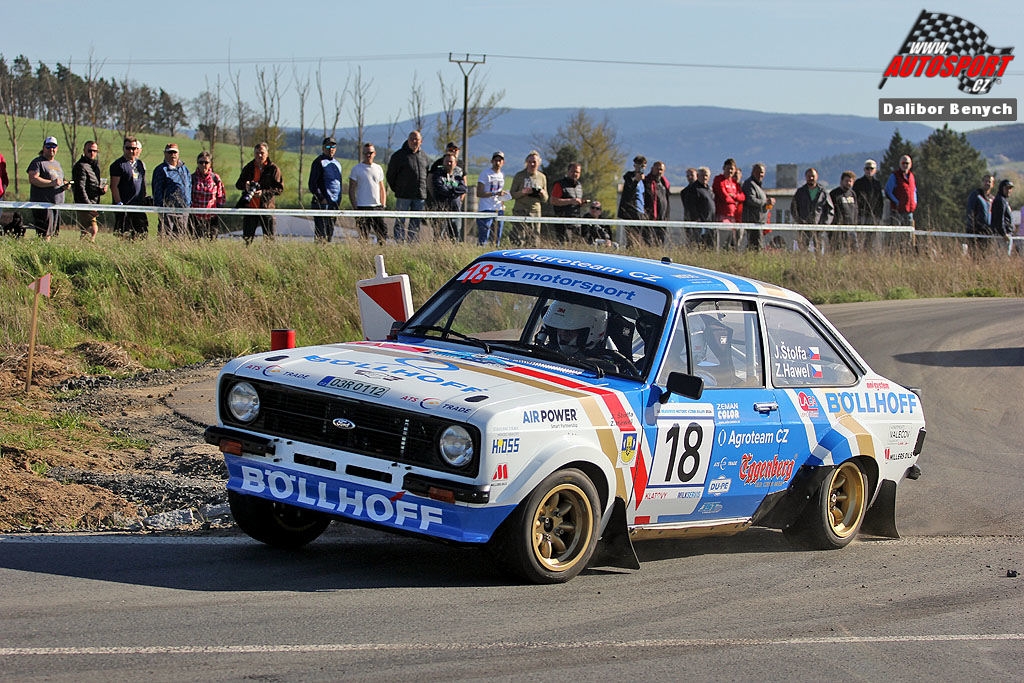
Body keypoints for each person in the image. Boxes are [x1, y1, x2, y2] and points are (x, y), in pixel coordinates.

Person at [235, 142, 284, 245]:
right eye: (257, 153)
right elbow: (238, 184)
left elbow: (279, 189)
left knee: (269, 240)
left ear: (267, 153)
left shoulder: (273, 169)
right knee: (247, 240)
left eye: (262, 153)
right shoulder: (249, 167)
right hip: (250, 208)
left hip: (266, 208)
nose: (259, 155)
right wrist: (246, 185)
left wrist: (263, 193)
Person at [386, 131, 430, 242]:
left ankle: (412, 244)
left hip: (420, 196)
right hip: (403, 196)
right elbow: (390, 176)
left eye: (417, 139)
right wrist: (398, 189)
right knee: (400, 221)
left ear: (421, 141)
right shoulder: (398, 156)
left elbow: (427, 175)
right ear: (408, 140)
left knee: (415, 222)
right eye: (412, 139)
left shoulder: (424, 157)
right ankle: (399, 243)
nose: (414, 141)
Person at [537, 300, 609, 360]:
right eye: (558, 327)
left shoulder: (605, 367)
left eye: (570, 330)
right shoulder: (541, 354)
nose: (562, 333)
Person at [27, 136, 67, 240]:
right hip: (43, 205)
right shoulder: (37, 162)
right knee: (44, 235)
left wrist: (65, 185)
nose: (51, 149)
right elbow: (33, 179)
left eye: (54, 146)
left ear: (57, 148)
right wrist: (51, 183)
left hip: (56, 205)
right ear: (43, 147)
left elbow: (59, 181)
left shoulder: (57, 164)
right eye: (48, 146)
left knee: (53, 235)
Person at [109, 136, 149, 239]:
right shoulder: (118, 165)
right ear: (123, 148)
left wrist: (144, 198)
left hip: (138, 206)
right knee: (124, 234)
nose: (131, 151)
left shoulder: (140, 164)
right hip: (125, 206)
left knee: (141, 235)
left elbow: (142, 183)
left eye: (134, 148)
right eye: (128, 148)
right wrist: (119, 203)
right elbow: (114, 186)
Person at [348, 143, 388, 242]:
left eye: (370, 153)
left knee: (382, 234)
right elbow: (351, 189)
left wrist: (383, 205)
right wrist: (355, 207)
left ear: (374, 153)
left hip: (377, 207)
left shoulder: (378, 168)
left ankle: (381, 250)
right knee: (363, 235)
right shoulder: (356, 169)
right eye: (366, 153)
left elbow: (382, 188)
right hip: (362, 207)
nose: (368, 155)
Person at [308, 136, 344, 243]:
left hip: (334, 204)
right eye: (328, 147)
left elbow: (338, 184)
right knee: (321, 234)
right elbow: (312, 184)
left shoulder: (337, 164)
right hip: (322, 204)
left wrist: (338, 200)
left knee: (329, 233)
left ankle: (327, 250)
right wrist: (321, 198)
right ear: (323, 148)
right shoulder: (319, 162)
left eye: (333, 147)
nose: (330, 149)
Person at [151, 143, 191, 238]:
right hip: (168, 211)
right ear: (165, 153)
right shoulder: (161, 170)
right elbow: (157, 191)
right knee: (165, 237)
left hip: (183, 211)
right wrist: (162, 209)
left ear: (178, 153)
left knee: (180, 238)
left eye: (174, 152)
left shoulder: (184, 169)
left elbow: (189, 186)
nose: (172, 155)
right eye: (170, 152)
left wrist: (188, 204)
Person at [509, 150, 547, 246]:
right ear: (526, 162)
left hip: (535, 211)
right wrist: (523, 192)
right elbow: (512, 194)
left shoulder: (542, 177)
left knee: (534, 239)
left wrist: (542, 193)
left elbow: (546, 199)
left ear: (538, 163)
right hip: (520, 210)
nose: (532, 164)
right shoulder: (519, 176)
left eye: (534, 162)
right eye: (529, 162)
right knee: (519, 238)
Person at [791, 167, 834, 252]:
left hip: (818, 228)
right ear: (805, 177)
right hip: (804, 228)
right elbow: (793, 208)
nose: (811, 178)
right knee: (802, 250)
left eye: (813, 176)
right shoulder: (800, 192)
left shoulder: (823, 193)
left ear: (817, 177)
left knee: (818, 250)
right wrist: (799, 221)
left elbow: (830, 210)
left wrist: (824, 224)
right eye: (809, 176)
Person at [71, 140, 107, 241]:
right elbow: (80, 188)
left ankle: (85, 247)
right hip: (85, 204)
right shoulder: (80, 166)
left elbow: (92, 187)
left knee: (88, 231)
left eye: (95, 151)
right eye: (90, 150)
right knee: (92, 229)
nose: (92, 153)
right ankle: (86, 247)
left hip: (93, 203)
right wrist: (88, 206)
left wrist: (101, 191)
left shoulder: (95, 166)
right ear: (84, 151)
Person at [428, 152, 467, 241]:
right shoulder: (438, 174)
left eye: (451, 162)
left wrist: (450, 190)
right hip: (441, 210)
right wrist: (455, 191)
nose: (449, 163)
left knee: (455, 236)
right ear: (443, 163)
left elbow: (463, 188)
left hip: (455, 210)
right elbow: (440, 188)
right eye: (446, 161)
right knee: (439, 236)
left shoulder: (458, 176)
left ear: (455, 163)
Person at [190, 151, 226, 239]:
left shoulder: (215, 178)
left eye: (206, 162)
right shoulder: (192, 178)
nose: (203, 165)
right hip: (196, 218)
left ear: (210, 164)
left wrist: (218, 211)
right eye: (201, 162)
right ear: (197, 163)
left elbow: (221, 197)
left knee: (211, 243)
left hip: (212, 218)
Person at [549, 162, 585, 243]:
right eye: (573, 171)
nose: (575, 174)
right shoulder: (560, 184)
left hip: (576, 222)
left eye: (577, 172)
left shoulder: (579, 186)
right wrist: (571, 201)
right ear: (568, 172)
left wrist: (580, 203)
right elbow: (553, 201)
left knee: (576, 245)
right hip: (563, 222)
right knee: (564, 245)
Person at [476, 151, 506, 246]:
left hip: (498, 208)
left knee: (497, 237)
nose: (498, 163)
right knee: (484, 235)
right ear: (492, 161)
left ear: (503, 162)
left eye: (500, 161)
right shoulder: (485, 174)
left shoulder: (502, 175)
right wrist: (494, 193)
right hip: (486, 207)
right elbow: (479, 193)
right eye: (496, 160)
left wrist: (503, 201)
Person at [712, 158, 744, 249]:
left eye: (732, 169)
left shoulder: (734, 183)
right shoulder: (719, 180)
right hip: (722, 216)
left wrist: (734, 196)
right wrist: (735, 200)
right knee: (721, 242)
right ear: (723, 168)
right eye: (728, 168)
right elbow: (724, 197)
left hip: (733, 217)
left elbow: (742, 197)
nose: (730, 171)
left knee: (733, 243)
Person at [681, 166, 716, 248]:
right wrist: (697, 219)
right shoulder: (693, 189)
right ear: (697, 176)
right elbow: (690, 207)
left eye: (706, 175)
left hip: (710, 223)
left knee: (709, 247)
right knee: (696, 246)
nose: (704, 177)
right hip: (698, 225)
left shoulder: (709, 190)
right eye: (702, 175)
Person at [741, 162, 772, 251]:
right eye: (758, 172)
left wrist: (768, 204)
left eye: (762, 172)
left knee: (755, 246)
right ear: (753, 172)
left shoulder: (758, 185)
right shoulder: (749, 184)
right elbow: (751, 200)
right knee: (756, 247)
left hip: (760, 222)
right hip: (753, 221)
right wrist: (765, 202)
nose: (760, 174)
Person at [617, 155, 646, 247]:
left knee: (640, 239)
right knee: (632, 239)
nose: (640, 168)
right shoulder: (629, 177)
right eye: (638, 165)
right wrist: (636, 181)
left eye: (642, 166)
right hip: (631, 211)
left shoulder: (644, 180)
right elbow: (628, 193)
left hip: (640, 211)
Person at [829, 170, 860, 252]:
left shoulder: (852, 194)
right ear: (841, 181)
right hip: (838, 228)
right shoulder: (834, 194)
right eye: (846, 181)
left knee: (854, 250)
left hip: (851, 227)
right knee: (837, 250)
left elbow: (856, 209)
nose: (848, 183)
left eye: (850, 181)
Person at [885, 155, 917, 230]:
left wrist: (915, 202)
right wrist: (897, 202)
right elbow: (888, 191)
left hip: (909, 212)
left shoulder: (911, 176)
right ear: (900, 164)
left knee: (909, 234)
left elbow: (914, 191)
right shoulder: (894, 176)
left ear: (910, 165)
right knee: (897, 233)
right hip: (898, 212)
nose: (905, 165)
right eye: (903, 163)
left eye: (907, 163)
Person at [965, 173, 995, 255]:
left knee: (985, 255)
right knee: (974, 255)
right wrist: (972, 228)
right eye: (985, 181)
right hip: (975, 231)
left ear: (993, 184)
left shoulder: (992, 199)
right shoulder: (975, 195)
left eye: (989, 181)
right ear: (982, 182)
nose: (987, 183)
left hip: (987, 232)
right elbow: (970, 211)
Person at [644, 161, 671, 245]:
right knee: (649, 242)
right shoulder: (646, 182)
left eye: (661, 170)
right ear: (652, 169)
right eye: (657, 169)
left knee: (660, 243)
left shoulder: (665, 184)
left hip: (663, 220)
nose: (659, 171)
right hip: (650, 219)